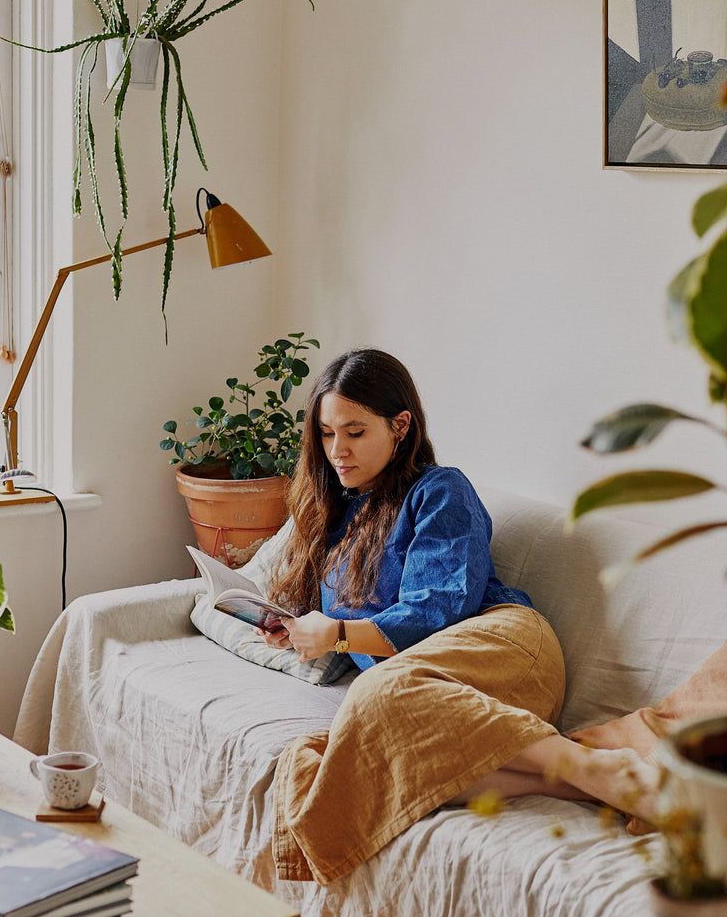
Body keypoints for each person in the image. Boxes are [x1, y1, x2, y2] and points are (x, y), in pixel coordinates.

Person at [262, 348, 659, 885]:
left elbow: (435, 615)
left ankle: (608, 768)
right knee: (368, 763)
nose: (338, 450)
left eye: (355, 432)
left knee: (376, 697)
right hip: (430, 697)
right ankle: (604, 779)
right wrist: (296, 632)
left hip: (503, 649)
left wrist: (334, 633)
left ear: (400, 425)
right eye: (328, 434)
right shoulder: (335, 510)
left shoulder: (440, 489)